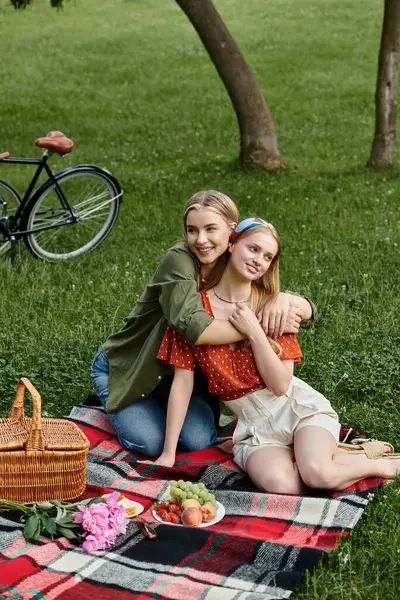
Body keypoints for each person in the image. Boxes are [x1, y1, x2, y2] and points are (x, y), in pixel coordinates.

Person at [155, 217, 400, 491]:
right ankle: (338, 455)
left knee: (318, 476)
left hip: (297, 410)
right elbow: (182, 383)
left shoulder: (273, 307)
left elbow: (281, 385)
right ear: (232, 245)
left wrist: (255, 332)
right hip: (253, 429)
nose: (259, 260)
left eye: (268, 256)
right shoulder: (195, 312)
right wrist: (168, 451)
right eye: (254, 249)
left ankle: (383, 464)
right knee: (284, 485)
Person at [90, 192, 315, 458]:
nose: (201, 240)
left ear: (232, 234)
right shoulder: (180, 260)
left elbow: (294, 303)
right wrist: (257, 326)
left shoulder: (235, 258)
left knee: (197, 441)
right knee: (149, 443)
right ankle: (123, 402)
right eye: (191, 230)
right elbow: (197, 329)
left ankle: (165, 410)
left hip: (185, 374)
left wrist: (286, 299)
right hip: (133, 369)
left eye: (211, 229)